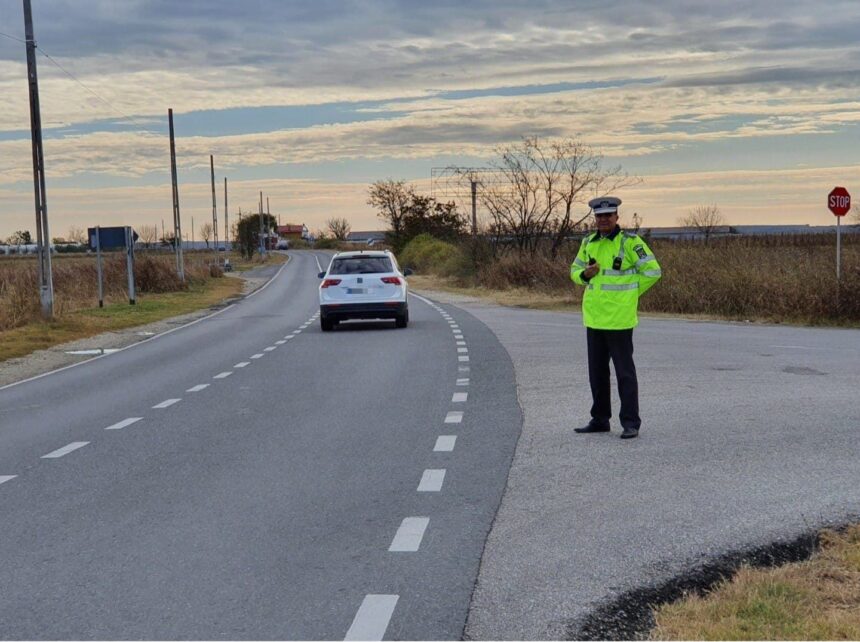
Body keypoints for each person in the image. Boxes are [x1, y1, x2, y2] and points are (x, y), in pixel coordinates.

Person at [569, 197, 662, 439]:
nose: (603, 219)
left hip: (620, 319)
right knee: (597, 374)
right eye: (599, 216)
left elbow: (653, 271)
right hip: (594, 318)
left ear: (617, 217)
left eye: (608, 215)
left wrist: (631, 293)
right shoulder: (588, 242)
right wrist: (585, 275)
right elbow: (574, 271)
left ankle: (631, 422)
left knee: (624, 374)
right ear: (595, 218)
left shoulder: (630, 242)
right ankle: (600, 419)